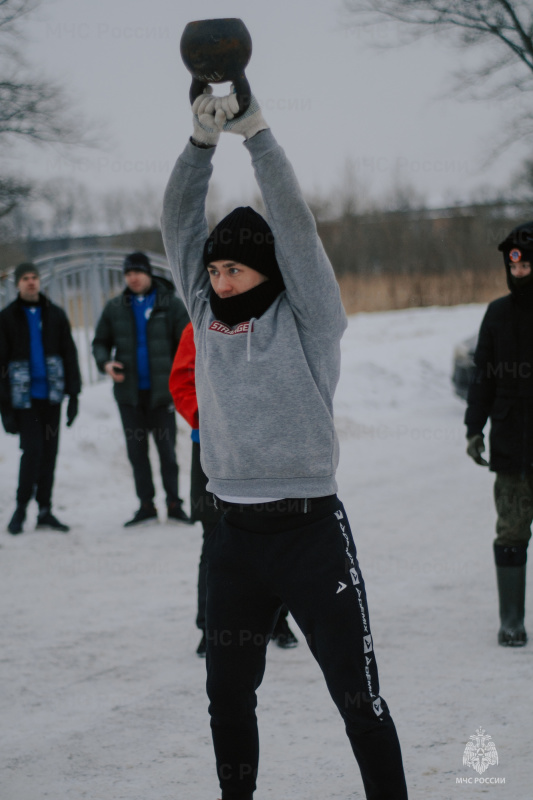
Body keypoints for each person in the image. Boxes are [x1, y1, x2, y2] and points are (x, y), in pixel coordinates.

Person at [161, 87, 408, 800]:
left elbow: (296, 231)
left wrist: (258, 137)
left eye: (233, 268)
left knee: (358, 700)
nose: (217, 279)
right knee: (228, 700)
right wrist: (200, 145)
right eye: (212, 270)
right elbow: (177, 221)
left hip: (309, 534)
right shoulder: (204, 314)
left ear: (265, 271)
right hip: (232, 537)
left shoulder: (307, 321)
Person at [169, 321, 299, 657]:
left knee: (273, 536)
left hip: (265, 448)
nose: (226, 283)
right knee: (215, 540)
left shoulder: (268, 324)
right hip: (212, 449)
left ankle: (277, 620)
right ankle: (210, 627)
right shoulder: (196, 327)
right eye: (217, 272)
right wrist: (209, 418)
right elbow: (181, 381)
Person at [465, 221, 533, 647]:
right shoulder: (497, 314)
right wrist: (474, 427)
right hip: (512, 445)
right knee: (511, 532)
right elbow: (482, 378)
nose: (521, 272)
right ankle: (512, 620)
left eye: (528, 265)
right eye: (516, 266)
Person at [92, 251, 191, 527]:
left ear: (149, 274)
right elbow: (99, 342)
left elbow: (188, 344)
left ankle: (174, 504)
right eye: (128, 273)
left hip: (163, 395)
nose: (133, 278)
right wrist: (105, 363)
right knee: (137, 454)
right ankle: (145, 505)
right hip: (129, 396)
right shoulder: (115, 307)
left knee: (167, 453)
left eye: (138, 272)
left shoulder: (170, 305)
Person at [0, 262, 81, 534]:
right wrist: (5, 409)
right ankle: (21, 507)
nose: (31, 282)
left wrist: (74, 395)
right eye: (25, 278)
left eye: (34, 277)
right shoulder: (7, 317)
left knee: (49, 454)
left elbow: (69, 354)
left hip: (52, 398)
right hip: (25, 400)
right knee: (32, 451)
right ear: (17, 284)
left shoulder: (55, 315)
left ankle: (44, 510)